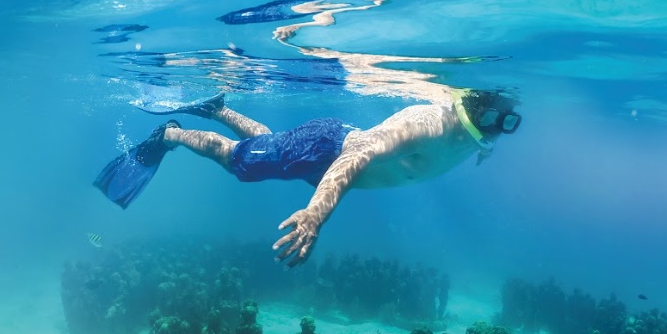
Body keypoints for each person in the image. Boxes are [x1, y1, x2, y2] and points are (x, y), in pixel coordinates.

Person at [93, 89, 521, 267]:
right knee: (241, 165)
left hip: (320, 149)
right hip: (327, 150)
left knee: (270, 149)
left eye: (500, 124)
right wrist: (316, 215)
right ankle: (172, 133)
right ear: (470, 108)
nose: (492, 129)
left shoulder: (474, 135)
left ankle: (217, 109)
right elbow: (359, 153)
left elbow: (479, 138)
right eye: (487, 121)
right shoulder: (428, 123)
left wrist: (482, 146)